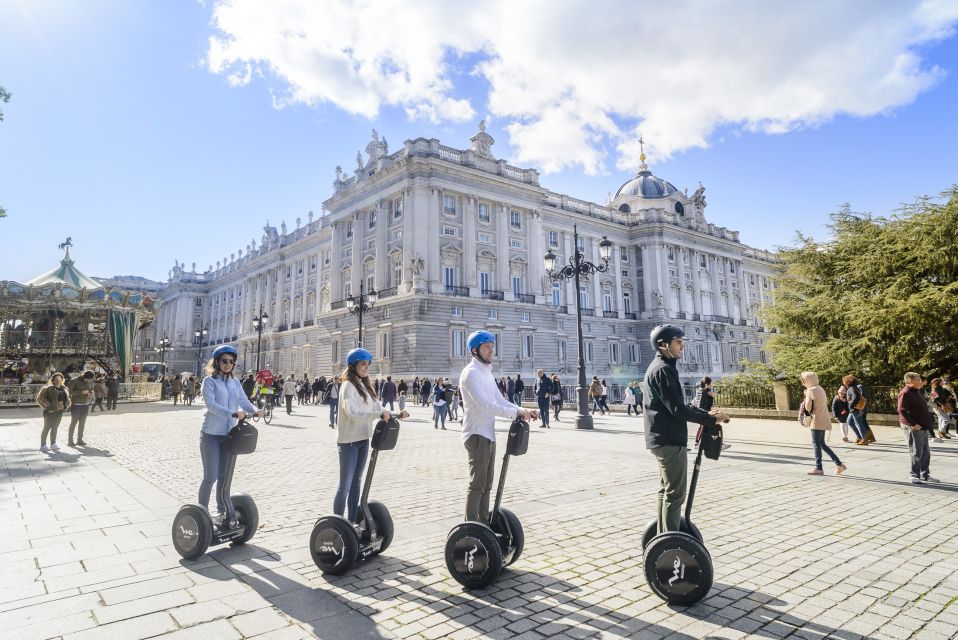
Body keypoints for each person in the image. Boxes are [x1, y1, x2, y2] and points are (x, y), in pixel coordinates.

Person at [644, 325, 729, 534]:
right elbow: (677, 408)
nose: (682, 346)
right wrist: (710, 421)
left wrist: (706, 415)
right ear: (664, 345)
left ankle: (663, 536)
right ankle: (670, 542)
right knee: (675, 494)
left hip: (662, 437)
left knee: (666, 491)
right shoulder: (663, 369)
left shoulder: (662, 367)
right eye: (678, 342)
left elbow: (676, 404)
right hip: (669, 439)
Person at [459, 331, 537, 521]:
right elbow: (485, 405)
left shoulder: (486, 373)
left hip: (488, 434)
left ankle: (484, 525)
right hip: (476, 434)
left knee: (487, 484)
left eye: (492, 347)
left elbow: (500, 400)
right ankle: (471, 527)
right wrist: (516, 413)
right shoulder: (470, 374)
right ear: (475, 350)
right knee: (477, 484)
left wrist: (522, 409)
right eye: (487, 347)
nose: (491, 351)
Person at [334, 348, 408, 522]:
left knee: (356, 483)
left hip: (363, 440)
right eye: (362, 364)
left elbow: (378, 408)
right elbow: (352, 412)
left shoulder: (366, 386)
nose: (366, 367)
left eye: (367, 364)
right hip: (349, 442)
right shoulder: (348, 386)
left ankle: (351, 522)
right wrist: (377, 415)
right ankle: (337, 523)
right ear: (353, 366)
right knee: (344, 486)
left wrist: (397, 413)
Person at [198, 345, 262, 526]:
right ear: (217, 362)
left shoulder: (235, 382)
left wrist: (255, 410)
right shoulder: (209, 382)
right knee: (211, 476)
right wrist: (233, 413)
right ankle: (201, 514)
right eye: (225, 361)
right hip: (210, 434)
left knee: (224, 477)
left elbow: (243, 401)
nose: (228, 364)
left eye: (231, 362)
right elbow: (211, 405)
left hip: (229, 435)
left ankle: (222, 512)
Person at [798, 372, 846, 476]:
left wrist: (805, 401)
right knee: (822, 444)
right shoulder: (820, 388)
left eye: (804, 381)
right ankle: (839, 464)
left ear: (808, 380)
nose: (803, 383)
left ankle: (818, 468)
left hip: (816, 420)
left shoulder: (810, 390)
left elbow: (808, 407)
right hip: (824, 418)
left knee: (816, 443)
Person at [898, 372, 939, 484]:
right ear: (910, 381)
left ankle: (925, 474)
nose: (921, 380)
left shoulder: (916, 391)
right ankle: (914, 475)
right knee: (916, 452)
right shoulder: (905, 393)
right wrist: (913, 424)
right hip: (915, 428)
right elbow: (902, 410)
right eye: (918, 379)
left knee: (925, 452)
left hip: (923, 427)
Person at [37, 372, 70, 452]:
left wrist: (67, 404)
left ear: (62, 379)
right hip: (50, 412)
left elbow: (67, 399)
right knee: (47, 428)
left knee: (55, 428)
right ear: (53, 380)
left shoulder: (64, 388)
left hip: (59, 411)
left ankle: (53, 444)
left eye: (59, 378)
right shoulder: (48, 388)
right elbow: (40, 398)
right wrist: (48, 406)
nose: (58, 380)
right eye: (56, 379)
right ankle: (43, 445)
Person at [844, 375, 876, 445]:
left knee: (859, 424)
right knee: (850, 422)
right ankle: (859, 437)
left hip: (855, 409)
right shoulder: (853, 387)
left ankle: (865, 439)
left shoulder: (851, 388)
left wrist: (851, 405)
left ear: (847, 382)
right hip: (853, 409)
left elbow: (856, 397)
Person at [67, 370, 95, 447]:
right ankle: (70, 441)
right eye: (87, 379)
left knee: (82, 424)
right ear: (83, 376)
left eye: (90, 380)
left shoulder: (90, 380)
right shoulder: (74, 381)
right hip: (77, 405)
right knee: (74, 423)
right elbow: (68, 392)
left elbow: (91, 388)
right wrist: (81, 392)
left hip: (86, 404)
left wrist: (92, 392)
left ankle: (80, 440)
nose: (88, 381)